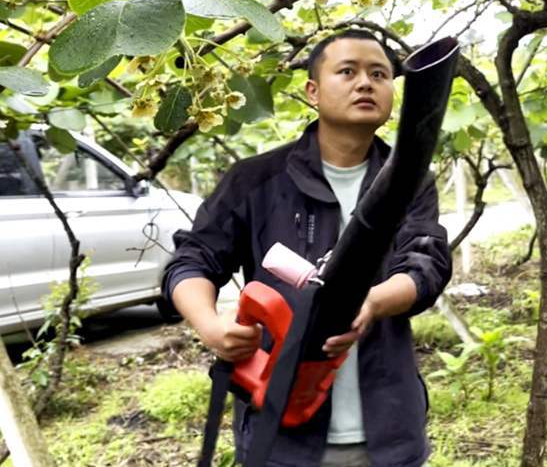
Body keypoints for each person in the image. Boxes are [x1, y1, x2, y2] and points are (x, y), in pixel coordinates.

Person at [161, 29, 452, 467]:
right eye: (348, 71)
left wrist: (372, 302)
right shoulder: (255, 181)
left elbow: (426, 264)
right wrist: (210, 326)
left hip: (388, 435)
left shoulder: (411, 181)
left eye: (380, 74)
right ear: (312, 91)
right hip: (282, 435)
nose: (366, 83)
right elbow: (192, 260)